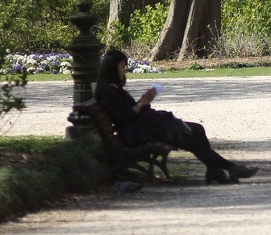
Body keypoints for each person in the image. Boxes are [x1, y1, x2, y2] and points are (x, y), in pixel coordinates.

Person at [94, 49, 257, 185]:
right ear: (112, 68)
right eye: (122, 67)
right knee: (189, 137)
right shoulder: (108, 91)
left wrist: (143, 101)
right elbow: (126, 117)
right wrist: (143, 102)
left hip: (143, 127)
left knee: (197, 129)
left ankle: (215, 170)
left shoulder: (112, 89)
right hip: (137, 134)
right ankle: (231, 168)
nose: (124, 70)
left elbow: (128, 112)